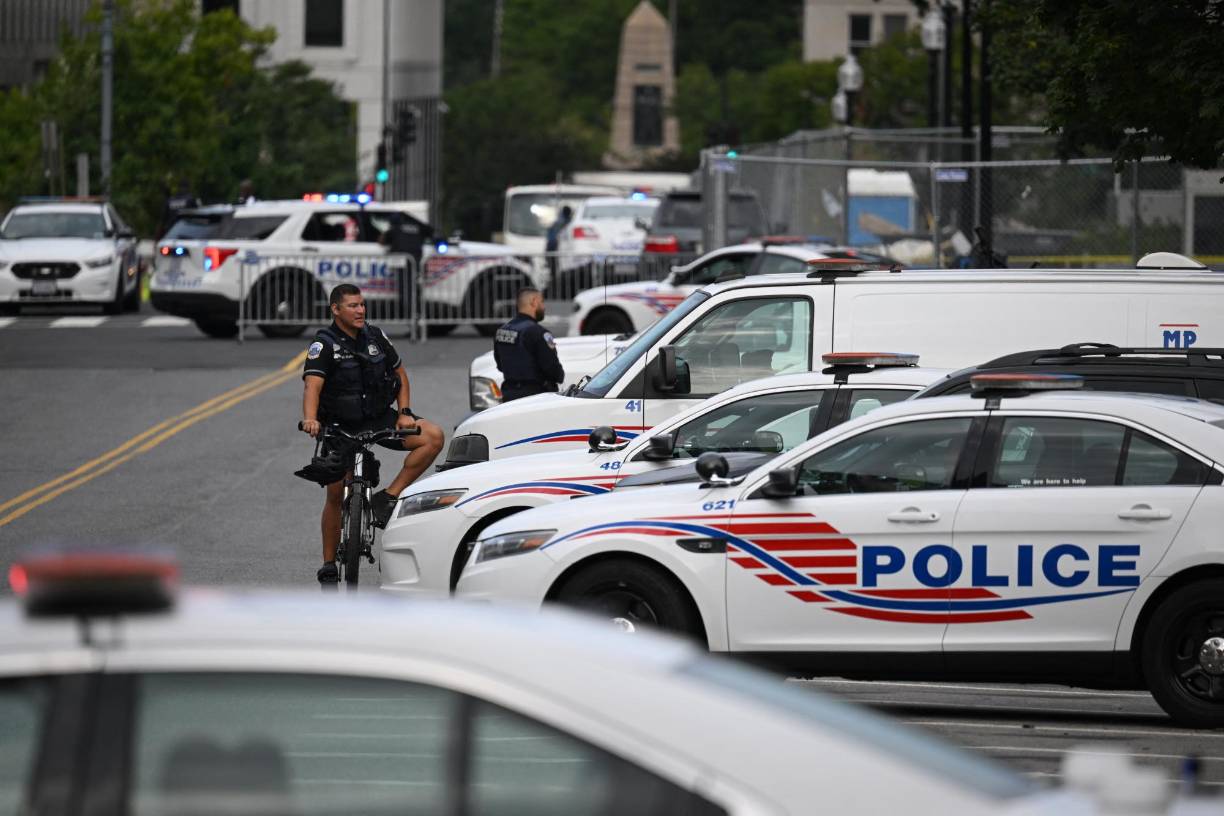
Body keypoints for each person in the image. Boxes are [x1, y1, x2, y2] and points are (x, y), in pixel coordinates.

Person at [299, 283, 445, 583]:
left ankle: (387, 497)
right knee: (336, 495)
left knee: (433, 436)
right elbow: (312, 385)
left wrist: (404, 413)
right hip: (339, 426)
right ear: (336, 309)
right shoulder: (324, 344)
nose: (360, 310)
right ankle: (328, 563)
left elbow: (400, 376)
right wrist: (310, 420)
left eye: (362, 304)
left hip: (378, 418)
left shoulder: (375, 336)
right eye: (353, 305)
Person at [494, 287, 565, 401]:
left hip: (509, 395)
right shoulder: (539, 333)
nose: (544, 307)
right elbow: (552, 369)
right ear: (534, 302)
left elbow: (500, 365)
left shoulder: (502, 331)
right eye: (542, 302)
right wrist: (559, 376)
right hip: (535, 397)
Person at [544, 205, 573, 279]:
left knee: (553, 267)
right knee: (559, 266)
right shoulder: (568, 222)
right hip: (556, 245)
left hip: (550, 245)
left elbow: (549, 234)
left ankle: (554, 280)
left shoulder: (557, 221)